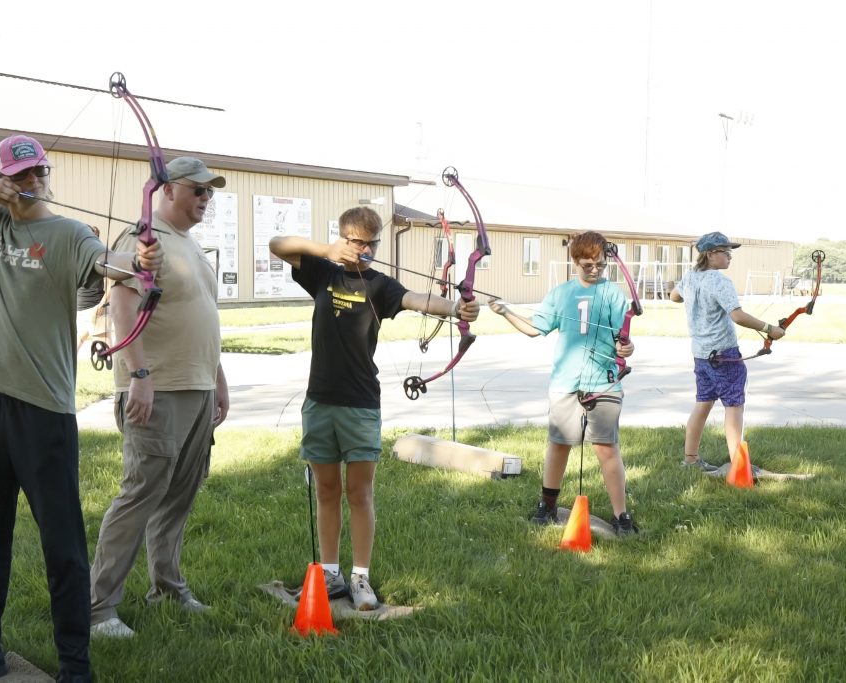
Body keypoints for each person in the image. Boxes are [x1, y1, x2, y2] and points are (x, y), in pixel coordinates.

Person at [0, 134, 162, 683]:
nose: (31, 182)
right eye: (19, 175)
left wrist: (139, 261)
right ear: (3, 178)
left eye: (38, 173)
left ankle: (75, 666)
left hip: (44, 413)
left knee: (62, 546)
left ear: (47, 176)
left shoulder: (68, 234)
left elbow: (108, 263)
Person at [269, 207, 480, 610]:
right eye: (357, 242)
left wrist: (456, 308)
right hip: (320, 400)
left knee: (360, 492)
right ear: (343, 238)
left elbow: (417, 299)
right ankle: (330, 573)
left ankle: (360, 577)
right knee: (327, 490)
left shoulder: (381, 285)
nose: (365, 250)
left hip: (361, 403)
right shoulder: (323, 273)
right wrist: (327, 250)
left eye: (372, 243)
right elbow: (277, 245)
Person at [89, 156, 230, 638]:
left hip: (196, 386)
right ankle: (99, 609)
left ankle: (167, 587)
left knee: (179, 495)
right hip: (157, 389)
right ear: (166, 190)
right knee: (141, 494)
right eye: (198, 189)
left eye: (210, 192)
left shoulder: (189, 244)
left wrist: (217, 378)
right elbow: (122, 306)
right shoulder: (143, 240)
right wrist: (140, 375)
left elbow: (199, 313)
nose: (206, 198)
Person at [489, 231, 639, 536]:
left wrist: (626, 348)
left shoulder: (613, 294)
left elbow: (622, 338)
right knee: (559, 444)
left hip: (603, 382)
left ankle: (621, 516)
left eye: (600, 264)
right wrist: (506, 311)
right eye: (588, 265)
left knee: (606, 448)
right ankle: (547, 506)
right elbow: (535, 328)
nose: (595, 270)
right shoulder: (561, 294)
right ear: (575, 262)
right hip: (565, 381)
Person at [670, 231, 785, 471]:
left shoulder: (690, 277)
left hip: (701, 355)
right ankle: (739, 467)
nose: (730, 257)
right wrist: (769, 329)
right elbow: (737, 316)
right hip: (724, 355)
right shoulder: (720, 281)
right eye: (726, 252)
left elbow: (674, 296)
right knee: (734, 407)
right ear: (711, 254)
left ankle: (690, 460)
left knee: (703, 403)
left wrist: (693, 297)